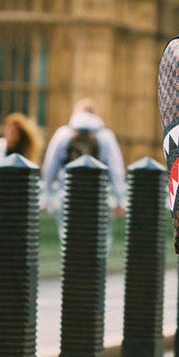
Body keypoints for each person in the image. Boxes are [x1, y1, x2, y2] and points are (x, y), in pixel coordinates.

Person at [40, 99, 127, 250]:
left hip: (68, 196)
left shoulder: (63, 133)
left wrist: (46, 196)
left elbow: (50, 166)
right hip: (97, 197)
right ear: (95, 113)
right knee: (98, 242)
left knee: (70, 240)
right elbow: (116, 169)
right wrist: (120, 200)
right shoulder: (105, 136)